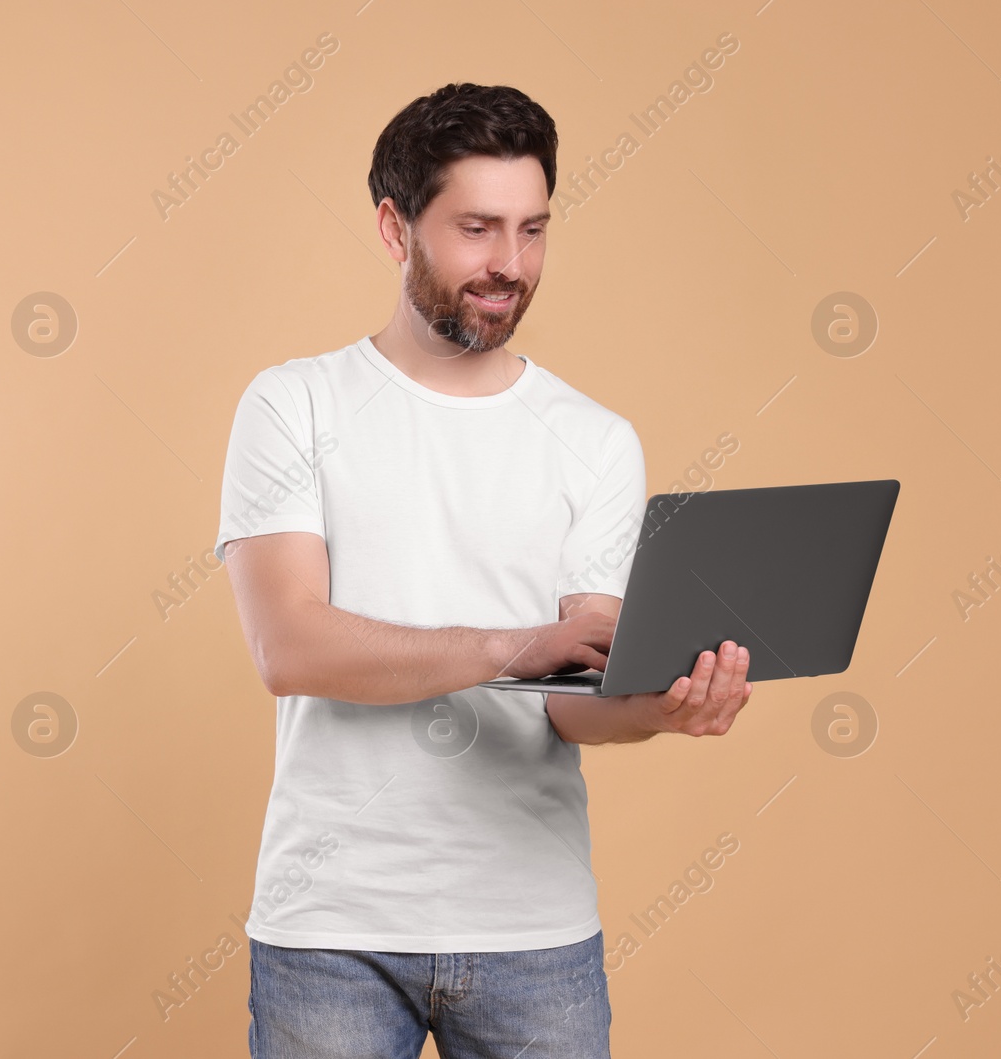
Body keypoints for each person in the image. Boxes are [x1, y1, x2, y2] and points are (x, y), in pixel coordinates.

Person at [214, 82, 754, 1059]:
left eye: (532, 228)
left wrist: (662, 704)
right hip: (331, 927)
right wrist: (513, 641)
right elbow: (288, 644)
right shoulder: (292, 404)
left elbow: (572, 697)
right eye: (475, 228)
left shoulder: (593, 440)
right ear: (395, 226)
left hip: (533, 932)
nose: (509, 264)